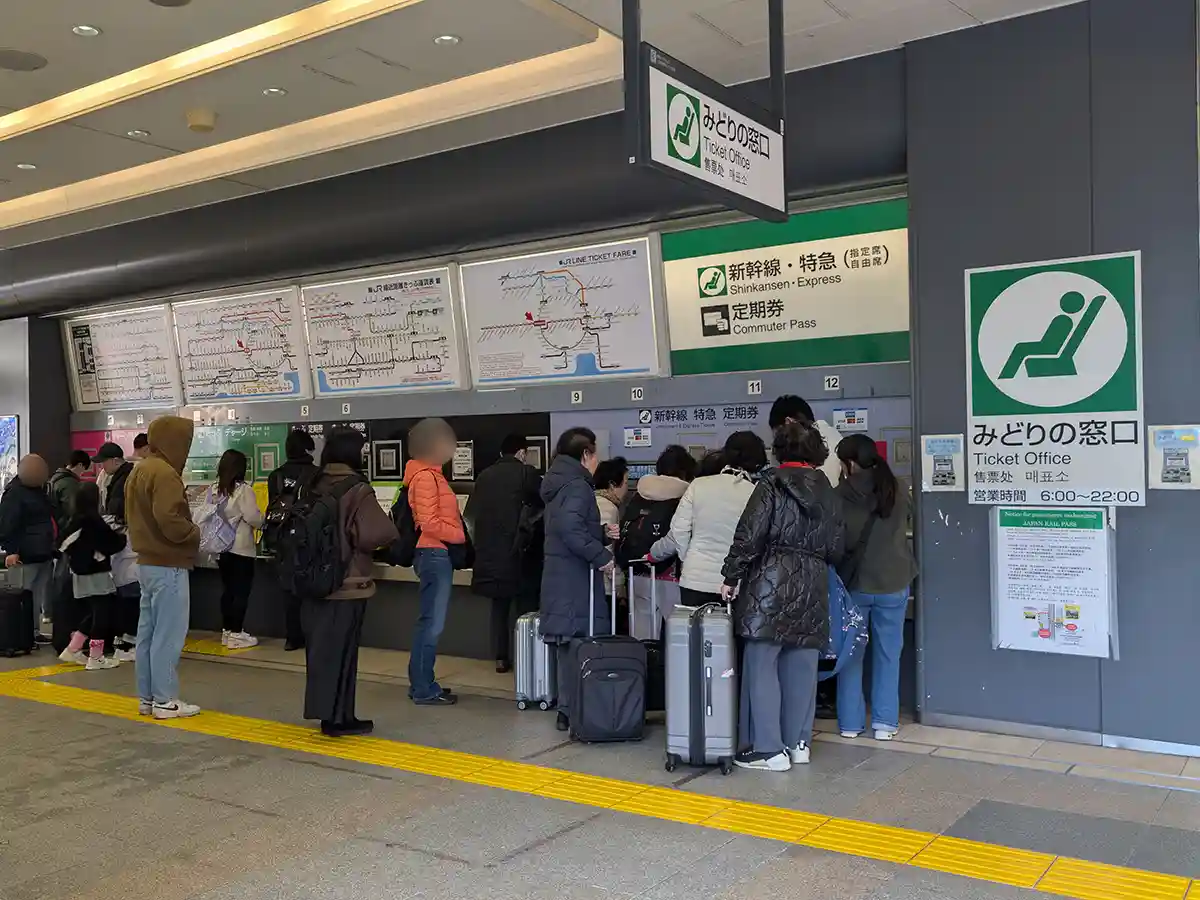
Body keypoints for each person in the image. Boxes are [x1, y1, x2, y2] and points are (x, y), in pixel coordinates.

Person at [720, 421, 844, 772]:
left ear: (780, 450)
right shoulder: (830, 492)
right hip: (814, 581)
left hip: (771, 578)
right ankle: (798, 743)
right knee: (802, 664)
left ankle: (768, 749)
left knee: (762, 663)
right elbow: (838, 547)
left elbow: (750, 534)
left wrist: (732, 575)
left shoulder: (770, 484)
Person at [302, 428, 399, 737]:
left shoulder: (314, 482)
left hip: (313, 578)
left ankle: (327, 714)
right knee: (344, 653)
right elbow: (376, 534)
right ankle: (340, 718)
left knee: (321, 652)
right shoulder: (357, 488)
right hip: (346, 582)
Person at [834, 434, 917, 742]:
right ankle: (884, 722)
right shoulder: (897, 488)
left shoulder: (839, 494)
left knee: (851, 656)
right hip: (893, 583)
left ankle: (850, 724)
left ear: (850, 463)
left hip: (855, 585)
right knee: (888, 654)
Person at [769, 394, 845, 721]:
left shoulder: (789, 473)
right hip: (820, 558)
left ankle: (802, 712)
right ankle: (803, 727)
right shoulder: (835, 441)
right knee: (814, 635)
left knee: (796, 643)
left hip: (794, 563)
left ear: (788, 424)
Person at [125, 416, 201, 720]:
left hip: (145, 563)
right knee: (168, 635)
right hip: (168, 563)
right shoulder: (166, 474)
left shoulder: (139, 469)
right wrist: (193, 533)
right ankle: (166, 700)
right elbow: (170, 519)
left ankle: (147, 698)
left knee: (147, 634)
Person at [539, 427, 614, 732]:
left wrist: (600, 533)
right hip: (574, 578)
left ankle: (566, 708)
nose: (597, 461)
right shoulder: (578, 486)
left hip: (559, 575)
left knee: (565, 644)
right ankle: (575, 709)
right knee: (578, 643)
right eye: (595, 454)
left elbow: (566, 526)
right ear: (585, 454)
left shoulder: (557, 484)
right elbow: (571, 529)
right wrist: (602, 556)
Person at [649, 432, 768, 607]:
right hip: (735, 584)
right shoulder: (756, 493)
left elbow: (679, 530)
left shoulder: (699, 485)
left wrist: (689, 557)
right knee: (728, 633)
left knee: (695, 632)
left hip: (694, 579)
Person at [464, 434, 543, 673]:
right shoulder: (527, 474)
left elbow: (471, 515)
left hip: (490, 555)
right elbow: (542, 506)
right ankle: (526, 657)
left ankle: (501, 658)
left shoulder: (484, 476)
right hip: (520, 552)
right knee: (525, 608)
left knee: (499, 608)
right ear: (521, 453)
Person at [404, 417, 467, 706]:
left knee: (429, 622)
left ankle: (422, 681)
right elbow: (428, 522)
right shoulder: (426, 478)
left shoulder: (430, 475)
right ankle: (422, 688)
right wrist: (457, 535)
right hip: (434, 552)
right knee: (431, 624)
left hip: (434, 553)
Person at [619, 445, 696, 639]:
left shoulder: (640, 492)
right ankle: (673, 670)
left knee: (642, 634)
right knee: (678, 637)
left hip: (638, 571)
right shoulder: (687, 494)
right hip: (672, 574)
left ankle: (643, 668)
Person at [57, 483, 126, 670]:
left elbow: (61, 543)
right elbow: (112, 544)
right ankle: (95, 657)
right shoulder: (93, 521)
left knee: (92, 612)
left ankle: (74, 648)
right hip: (96, 572)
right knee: (102, 613)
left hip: (79, 572)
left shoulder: (73, 520)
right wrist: (122, 537)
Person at [267, 429, 320, 651]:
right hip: (308, 537)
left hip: (282, 538)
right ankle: (312, 635)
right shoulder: (317, 475)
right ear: (308, 450)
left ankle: (292, 637)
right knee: (311, 587)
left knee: (288, 589)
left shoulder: (276, 476)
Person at [209, 449, 264, 650]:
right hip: (241, 548)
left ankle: (227, 631)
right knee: (241, 591)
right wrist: (263, 521)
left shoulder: (214, 489)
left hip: (222, 548)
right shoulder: (243, 490)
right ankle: (236, 633)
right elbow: (253, 517)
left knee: (228, 591)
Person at [0, 454, 57, 643]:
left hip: (43, 552)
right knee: (24, 594)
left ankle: (32, 632)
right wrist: (11, 550)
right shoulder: (14, 494)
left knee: (37, 595)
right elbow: (7, 524)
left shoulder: (39, 491)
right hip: (25, 554)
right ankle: (22, 633)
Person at [95, 442, 139, 657]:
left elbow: (118, 512)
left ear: (115, 460)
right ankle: (127, 639)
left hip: (128, 548)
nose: (101, 467)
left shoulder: (124, 479)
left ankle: (128, 640)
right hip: (126, 550)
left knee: (130, 595)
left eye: (103, 462)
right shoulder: (121, 477)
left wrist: (112, 527)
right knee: (129, 594)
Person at [769, 395, 842, 488]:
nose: (778, 440)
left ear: (788, 422)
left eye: (778, 433)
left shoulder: (803, 444)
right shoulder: (834, 435)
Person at [592, 456, 629, 598]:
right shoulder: (607, 508)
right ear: (613, 485)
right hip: (604, 585)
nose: (627, 487)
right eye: (625, 482)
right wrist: (618, 582)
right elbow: (607, 550)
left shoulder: (592, 500)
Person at [47, 451, 91, 536]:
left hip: (55, 527)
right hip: (65, 530)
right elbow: (72, 511)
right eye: (84, 470)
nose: (82, 474)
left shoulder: (56, 477)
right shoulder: (70, 483)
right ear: (80, 465)